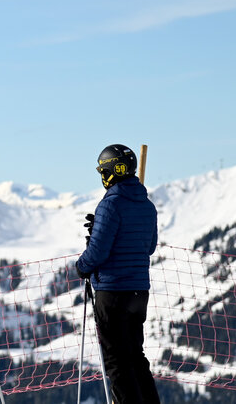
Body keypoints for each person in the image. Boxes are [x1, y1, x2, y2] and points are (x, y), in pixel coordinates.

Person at [75, 144, 160, 404]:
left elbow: (98, 252)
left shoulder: (110, 204)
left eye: (103, 171)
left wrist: (81, 266)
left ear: (111, 172)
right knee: (135, 357)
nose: (102, 177)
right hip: (138, 292)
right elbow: (149, 246)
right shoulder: (147, 204)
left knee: (116, 362)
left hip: (112, 293)